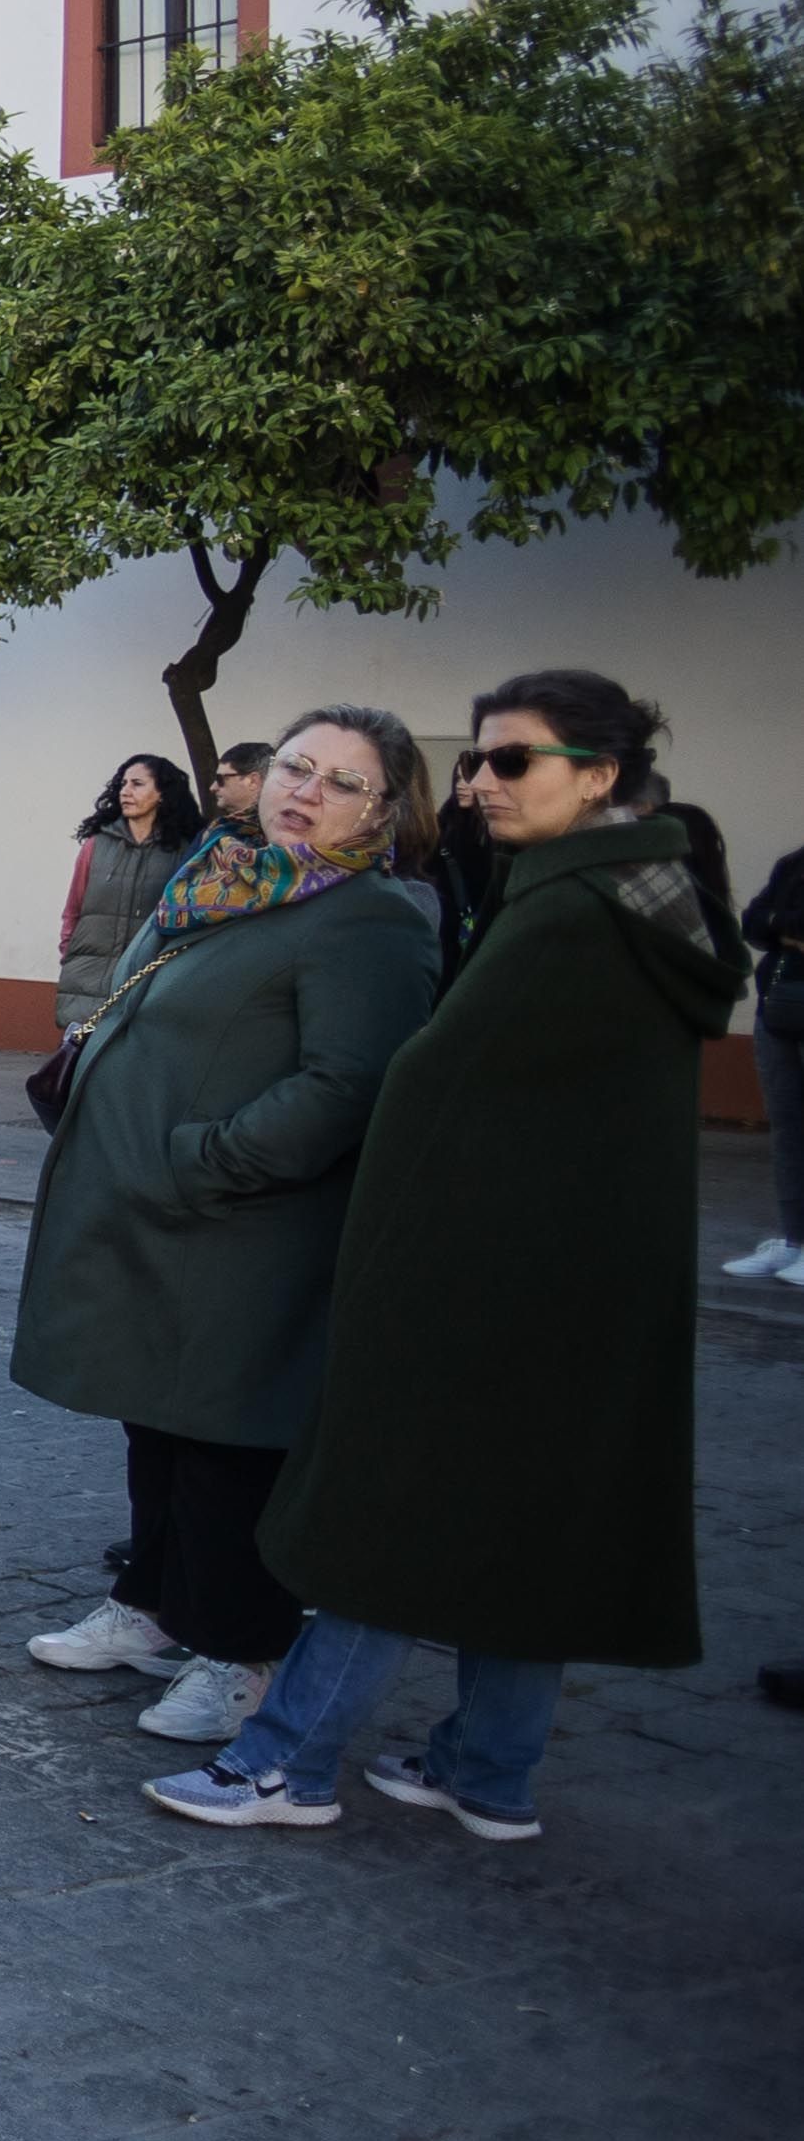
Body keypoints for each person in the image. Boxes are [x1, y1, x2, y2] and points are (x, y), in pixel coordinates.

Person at [147, 673, 737, 1837]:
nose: (477, 784)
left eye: (511, 761)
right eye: (475, 759)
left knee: (390, 1516)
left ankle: (282, 1764)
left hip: (493, 1278)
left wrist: (388, 1266)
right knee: (524, 1522)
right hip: (579, 1277)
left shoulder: (575, 912)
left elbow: (434, 1095)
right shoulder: (630, 895)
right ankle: (487, 1769)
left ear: (597, 776)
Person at [10, 706, 443, 1749]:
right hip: (157, 1214)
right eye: (296, 765)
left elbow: (345, 1086)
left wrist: (207, 1159)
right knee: (154, 1420)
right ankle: (153, 1605)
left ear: (384, 809)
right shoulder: (227, 877)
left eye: (343, 782)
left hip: (244, 1223)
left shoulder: (369, 918)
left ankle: (241, 1651)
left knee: (227, 1443)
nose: (306, 790)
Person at [58, 754, 199, 1035]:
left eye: (137, 784)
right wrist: (68, 955)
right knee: (80, 1059)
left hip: (147, 981)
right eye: (123, 784)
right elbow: (73, 909)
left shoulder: (182, 852)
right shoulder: (96, 845)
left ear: (162, 794)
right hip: (88, 979)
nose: (125, 791)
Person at [731, 834, 804, 1288]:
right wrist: (786, 928)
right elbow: (753, 922)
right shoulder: (794, 863)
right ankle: (794, 1239)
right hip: (778, 1009)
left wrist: (781, 924)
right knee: (788, 1130)